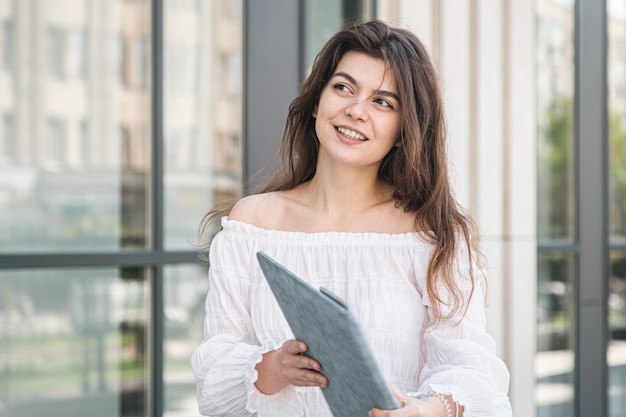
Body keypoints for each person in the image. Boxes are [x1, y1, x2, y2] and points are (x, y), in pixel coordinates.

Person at [191, 20, 512, 417]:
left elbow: (475, 374)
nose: (355, 111)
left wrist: (425, 410)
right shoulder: (253, 223)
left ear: (402, 131)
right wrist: (273, 367)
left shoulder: (433, 236)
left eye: (383, 102)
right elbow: (213, 384)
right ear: (315, 102)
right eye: (343, 87)